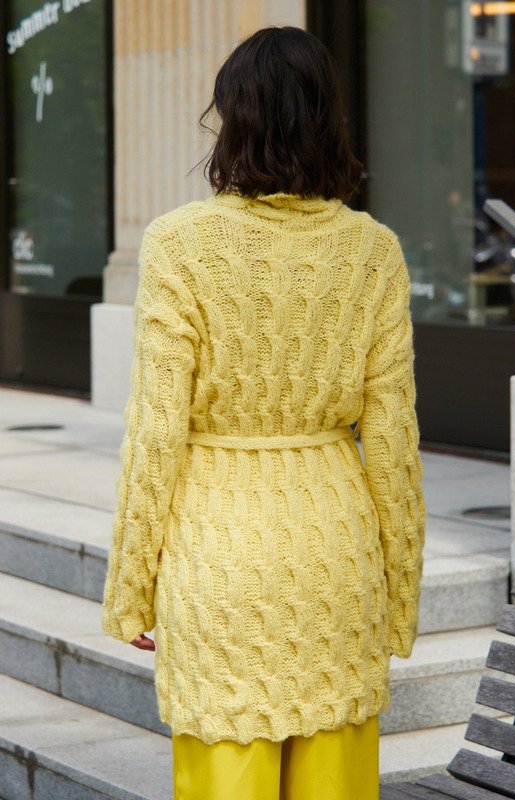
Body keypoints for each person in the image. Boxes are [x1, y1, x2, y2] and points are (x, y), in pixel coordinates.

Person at [101, 24, 426, 800]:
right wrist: (400, 594)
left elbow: (155, 431)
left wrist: (131, 587)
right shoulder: (373, 250)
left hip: (217, 561)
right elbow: (393, 442)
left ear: (234, 119)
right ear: (328, 120)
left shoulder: (178, 244)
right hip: (338, 562)